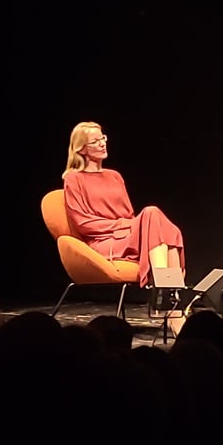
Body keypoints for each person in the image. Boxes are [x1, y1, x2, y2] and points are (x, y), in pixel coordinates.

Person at [62, 121, 186, 334]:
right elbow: (83, 223)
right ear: (82, 149)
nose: (102, 144)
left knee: (161, 227)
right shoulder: (74, 180)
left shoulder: (114, 176)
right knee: (153, 216)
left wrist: (129, 226)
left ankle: (167, 302)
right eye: (95, 141)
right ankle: (173, 309)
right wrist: (123, 226)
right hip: (103, 241)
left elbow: (128, 214)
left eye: (103, 138)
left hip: (126, 236)